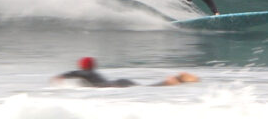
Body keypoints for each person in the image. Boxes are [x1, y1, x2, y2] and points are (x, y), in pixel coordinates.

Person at [51, 57, 199, 87]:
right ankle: (176, 79)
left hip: (116, 86)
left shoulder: (87, 73)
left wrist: (61, 76)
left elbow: (77, 74)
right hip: (118, 83)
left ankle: (176, 79)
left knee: (150, 88)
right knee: (147, 87)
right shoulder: (92, 73)